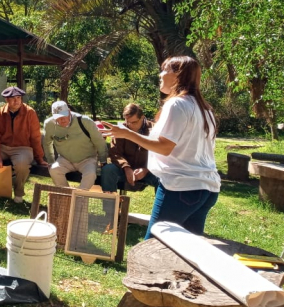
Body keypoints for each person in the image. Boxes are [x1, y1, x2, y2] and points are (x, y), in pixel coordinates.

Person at [103, 56, 221, 239]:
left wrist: (127, 134)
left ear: (177, 75)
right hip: (207, 188)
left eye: (164, 69)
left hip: (182, 188)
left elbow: (165, 147)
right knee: (187, 252)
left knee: (153, 247)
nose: (160, 74)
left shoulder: (177, 104)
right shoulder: (205, 108)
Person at [0, 86, 48, 203]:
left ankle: (18, 192)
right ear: (7, 100)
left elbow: (35, 137)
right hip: (3, 147)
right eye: (13, 98)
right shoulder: (0, 113)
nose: (17, 101)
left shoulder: (30, 113)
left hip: (22, 148)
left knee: (21, 164)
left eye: (19, 97)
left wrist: (39, 158)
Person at [43, 101, 106, 189]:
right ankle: (67, 196)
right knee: (54, 170)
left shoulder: (85, 121)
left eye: (64, 115)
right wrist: (50, 161)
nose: (62, 119)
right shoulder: (49, 124)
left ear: (69, 111)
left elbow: (99, 141)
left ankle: (78, 200)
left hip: (87, 159)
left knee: (90, 175)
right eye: (58, 117)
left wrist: (103, 161)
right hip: (65, 159)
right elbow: (47, 143)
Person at [100, 103, 159, 193]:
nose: (130, 125)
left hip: (149, 170)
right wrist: (126, 167)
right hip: (124, 168)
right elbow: (115, 153)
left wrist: (146, 169)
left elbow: (160, 154)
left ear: (142, 117)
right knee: (108, 170)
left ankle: (160, 206)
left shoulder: (154, 129)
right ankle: (109, 205)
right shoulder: (120, 128)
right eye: (127, 121)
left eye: (134, 122)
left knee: (162, 178)